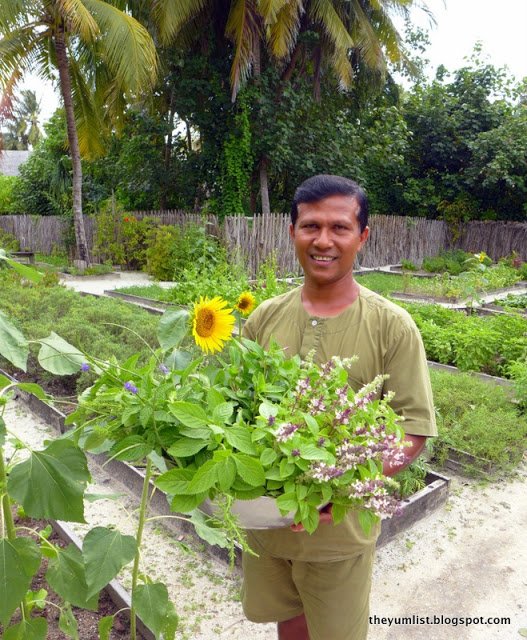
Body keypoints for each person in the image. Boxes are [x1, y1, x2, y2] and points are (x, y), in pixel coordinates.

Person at [241, 174, 437, 640]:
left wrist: (345, 485)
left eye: (339, 227)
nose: (323, 240)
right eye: (310, 226)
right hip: (267, 527)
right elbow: (238, 410)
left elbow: (413, 429)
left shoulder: (392, 326)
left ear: (362, 236)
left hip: (338, 536)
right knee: (287, 620)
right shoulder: (263, 318)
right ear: (292, 232)